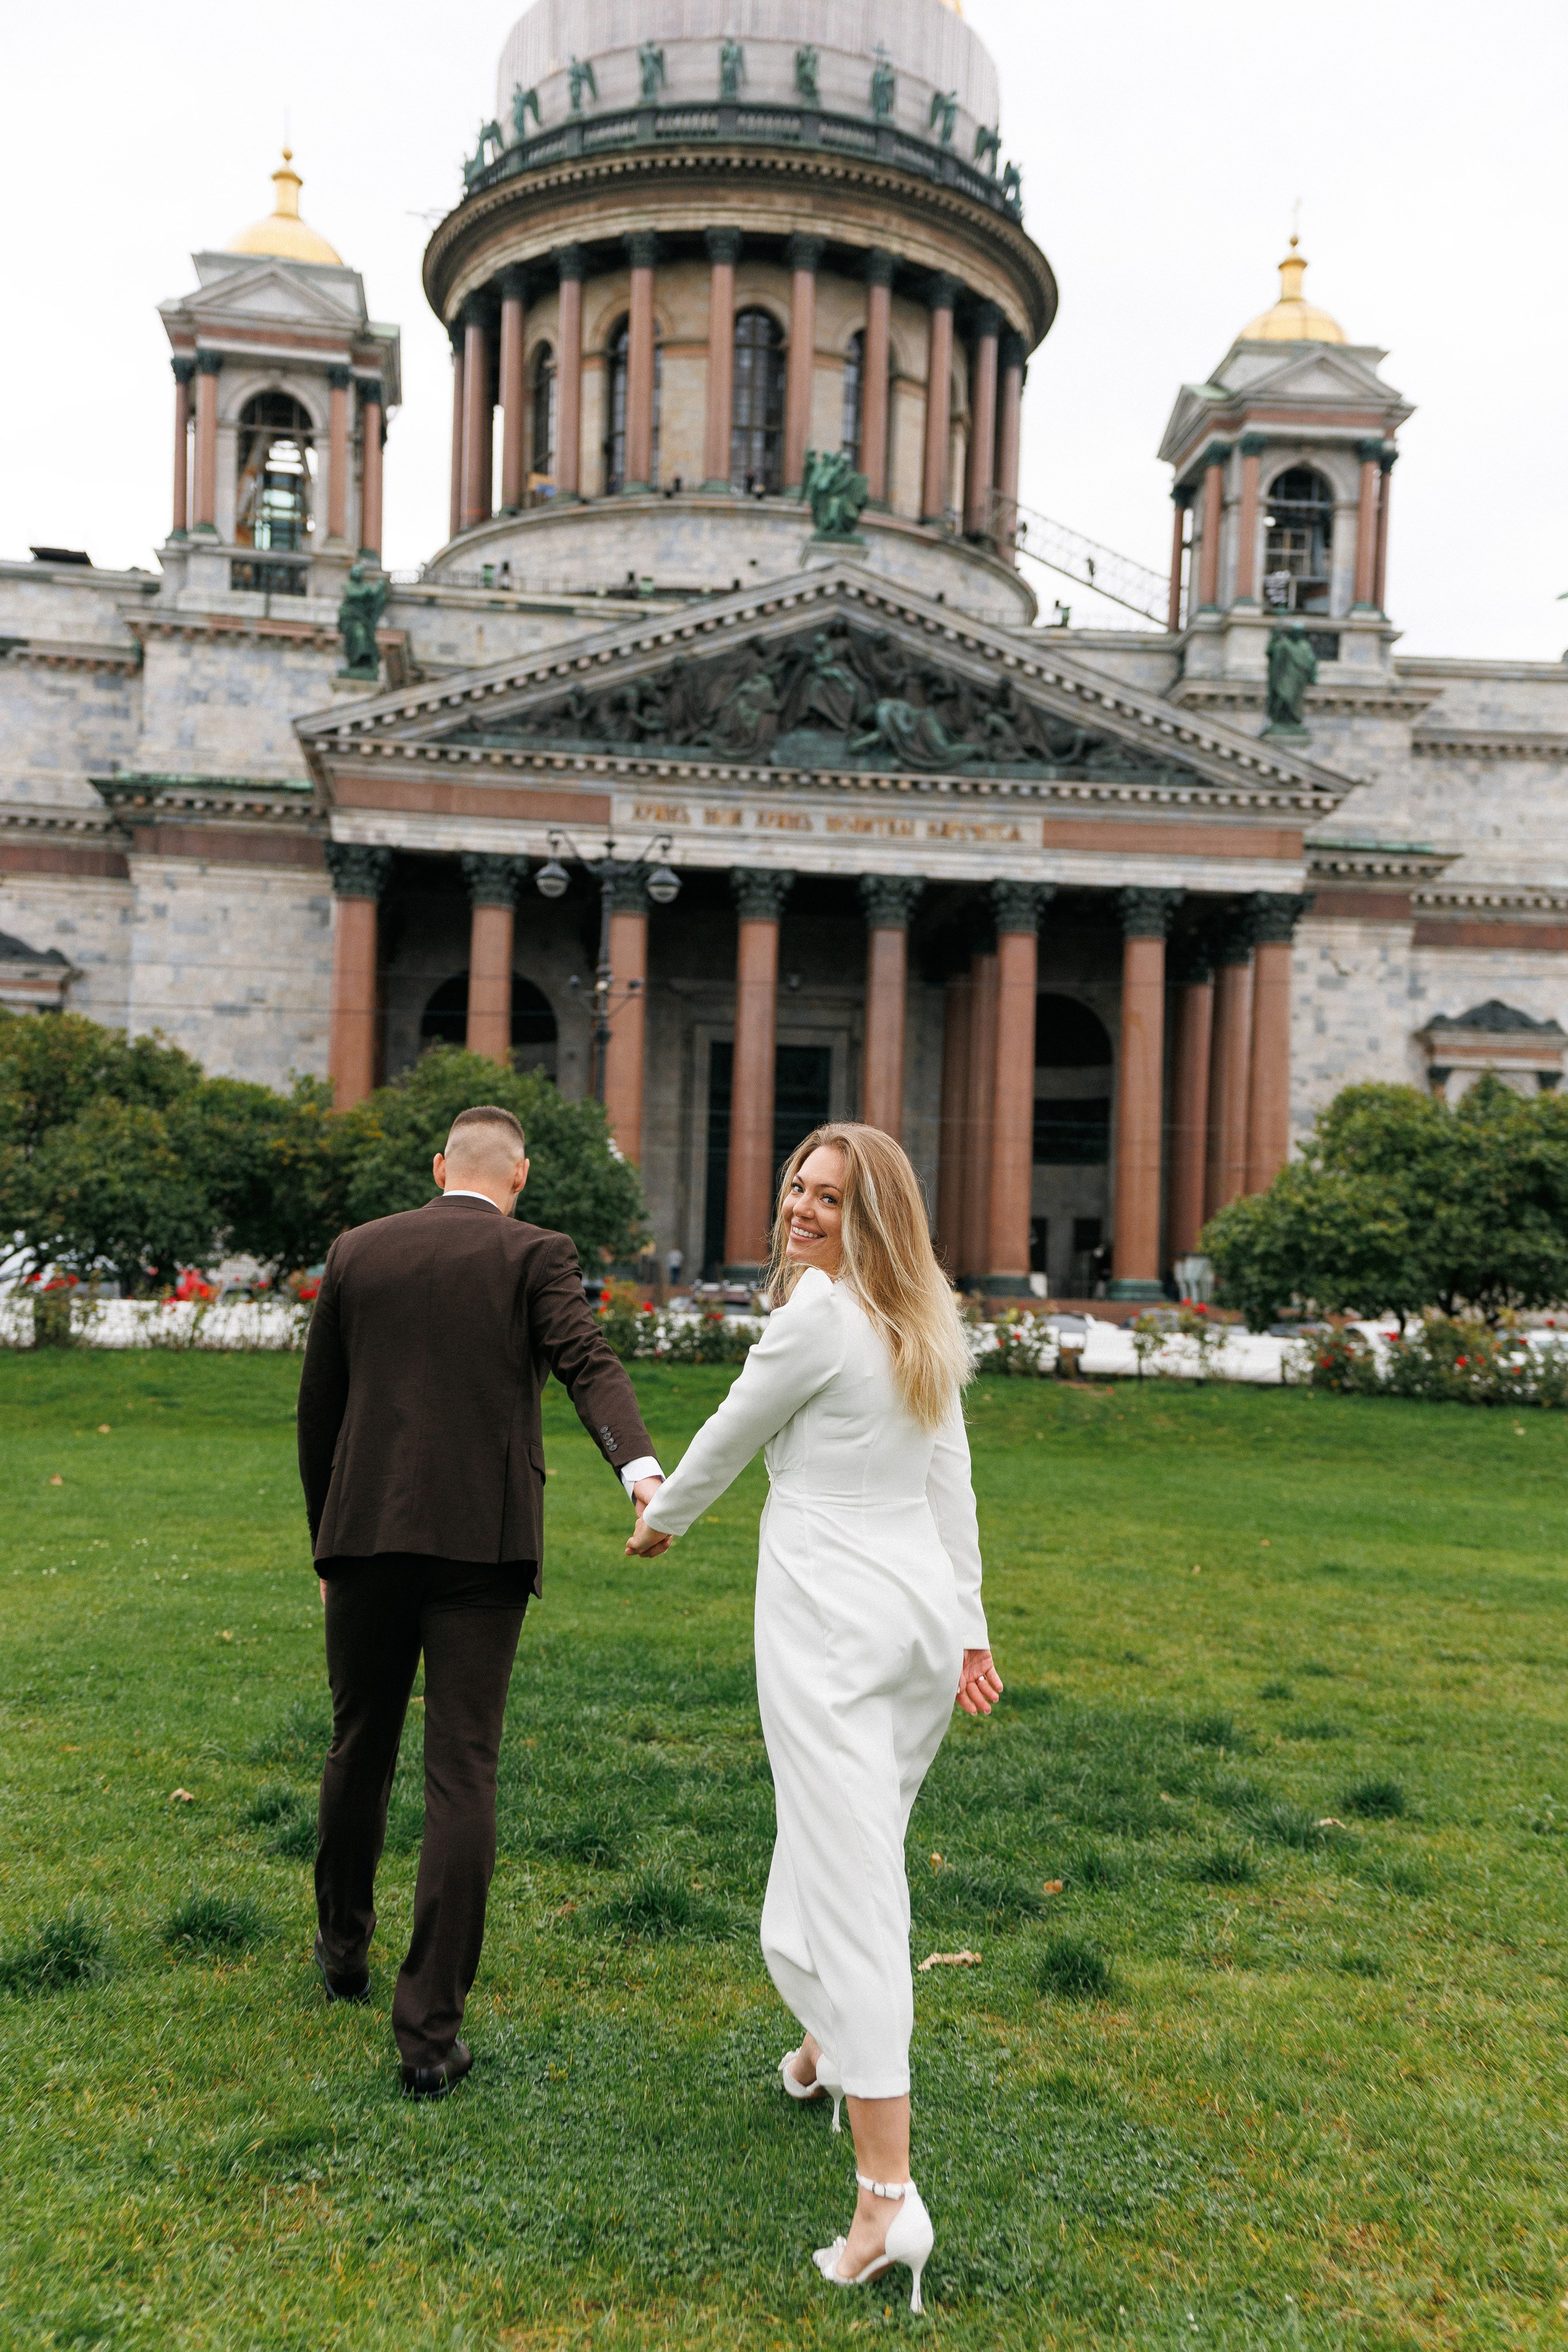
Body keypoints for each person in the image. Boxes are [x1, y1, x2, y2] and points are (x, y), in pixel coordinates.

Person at [627, 1123, 1001, 2312]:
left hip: (831, 1621)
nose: (800, 1208)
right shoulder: (918, 1316)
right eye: (797, 1186)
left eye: (829, 1198)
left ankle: (885, 2198)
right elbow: (950, 1483)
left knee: (855, 1890)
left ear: (869, 1217)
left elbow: (729, 1435)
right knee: (846, 1841)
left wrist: (661, 1520)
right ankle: (821, 2048)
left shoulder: (820, 1317)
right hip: (913, 1623)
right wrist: (970, 1627)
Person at [296, 1104, 663, 2097]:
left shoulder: (358, 1251)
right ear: (520, 1176)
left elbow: (318, 1409)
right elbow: (588, 1362)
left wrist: (327, 1538)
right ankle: (428, 2039)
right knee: (463, 1771)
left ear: (437, 1166)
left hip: (364, 1535)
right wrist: (638, 1468)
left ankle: (342, 1950)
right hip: (483, 1547)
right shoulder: (537, 1254)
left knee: (358, 1744)